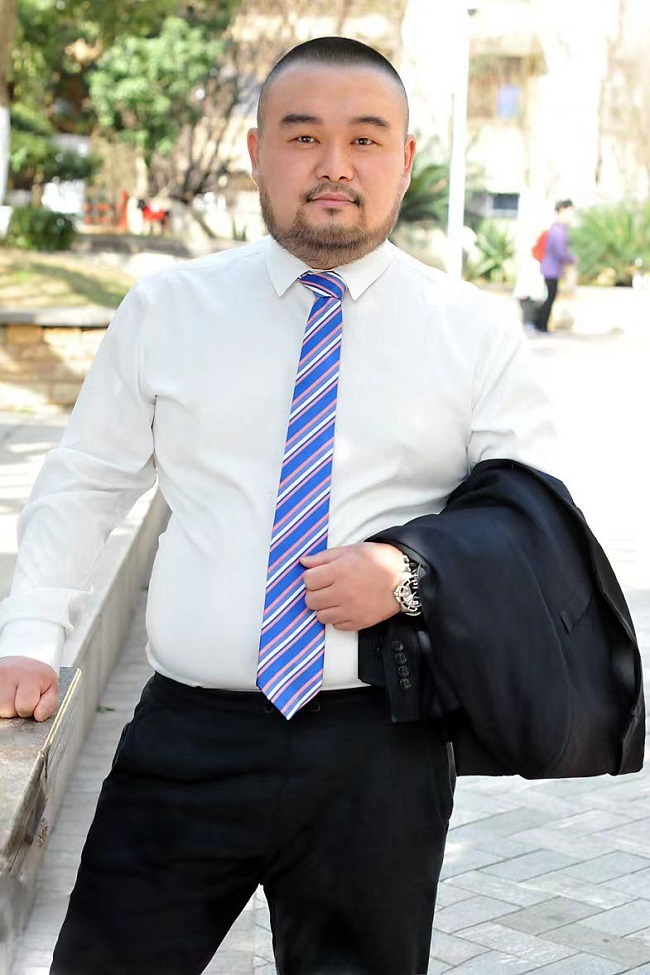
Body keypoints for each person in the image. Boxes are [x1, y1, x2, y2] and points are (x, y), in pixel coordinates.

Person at [0, 37, 558, 975]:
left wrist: (410, 573)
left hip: (381, 748)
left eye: (365, 139)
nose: (335, 164)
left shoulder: (472, 333)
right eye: (304, 136)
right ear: (258, 153)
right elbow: (85, 480)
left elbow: (529, 521)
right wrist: (28, 636)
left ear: (405, 159)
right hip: (186, 738)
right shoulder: (168, 310)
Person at [533, 198, 576, 333]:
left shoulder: (558, 228)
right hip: (551, 270)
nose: (571, 214)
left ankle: (541, 323)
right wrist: (572, 259)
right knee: (551, 297)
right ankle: (540, 323)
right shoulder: (558, 230)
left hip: (551, 269)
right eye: (570, 211)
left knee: (551, 296)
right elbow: (560, 251)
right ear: (562, 210)